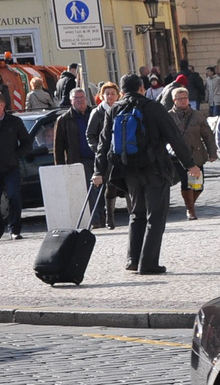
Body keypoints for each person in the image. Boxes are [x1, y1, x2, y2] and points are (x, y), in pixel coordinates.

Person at [94, 74, 199, 274]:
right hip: (155, 169)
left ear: (122, 91)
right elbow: (175, 138)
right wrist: (190, 164)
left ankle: (132, 260)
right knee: (156, 216)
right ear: (142, 88)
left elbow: (103, 143)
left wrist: (99, 170)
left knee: (137, 214)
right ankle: (149, 263)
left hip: (129, 170)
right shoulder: (153, 107)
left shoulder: (115, 109)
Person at [0, 90, 32, 240]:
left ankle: (14, 230)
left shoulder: (14, 122)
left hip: (11, 167)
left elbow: (27, 143)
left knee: (14, 198)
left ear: (1, 104)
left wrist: (15, 155)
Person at [169, 86, 217, 220]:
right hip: (177, 156)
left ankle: (190, 204)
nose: (183, 101)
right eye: (180, 99)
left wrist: (212, 153)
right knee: (186, 182)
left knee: (198, 186)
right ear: (174, 100)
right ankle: (190, 210)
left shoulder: (197, 115)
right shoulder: (169, 116)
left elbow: (207, 135)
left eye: (185, 98)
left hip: (196, 154)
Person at [84, 82, 124, 227]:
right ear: (101, 96)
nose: (110, 96)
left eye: (113, 93)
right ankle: (110, 218)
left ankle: (133, 213)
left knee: (128, 184)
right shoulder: (97, 112)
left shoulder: (121, 110)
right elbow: (90, 135)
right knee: (110, 187)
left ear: (118, 95)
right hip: (106, 156)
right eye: (107, 94)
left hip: (121, 154)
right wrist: (99, 150)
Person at [52, 87, 97, 190]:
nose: (80, 100)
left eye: (82, 97)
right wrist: (60, 168)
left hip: (97, 159)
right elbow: (58, 147)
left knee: (102, 191)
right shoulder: (64, 120)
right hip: (79, 161)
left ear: (86, 99)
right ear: (71, 101)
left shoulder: (95, 114)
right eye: (76, 98)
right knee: (90, 191)